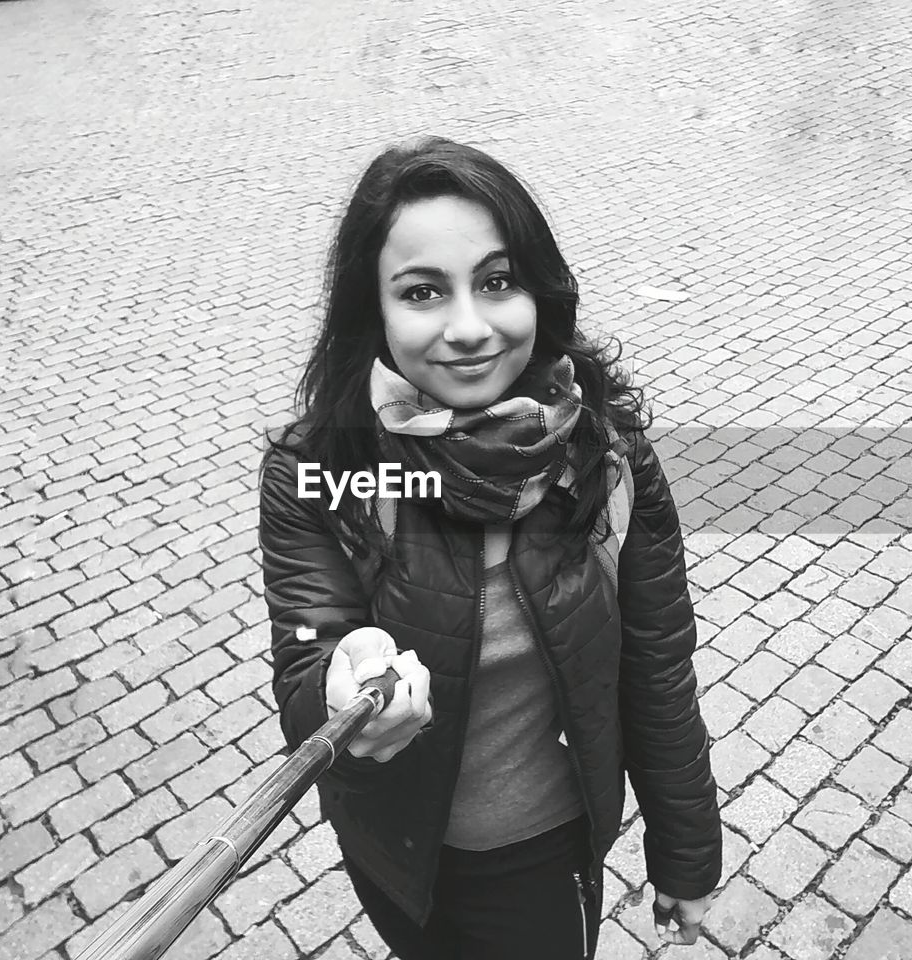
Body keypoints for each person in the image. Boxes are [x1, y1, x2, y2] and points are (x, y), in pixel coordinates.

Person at [260, 136, 722, 960]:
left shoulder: (603, 453)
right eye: (423, 291)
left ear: (539, 291)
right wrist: (336, 691)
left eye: (498, 282)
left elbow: (657, 666)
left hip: (541, 863)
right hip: (393, 854)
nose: (468, 328)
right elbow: (305, 672)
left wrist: (685, 853)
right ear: (376, 309)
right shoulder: (323, 469)